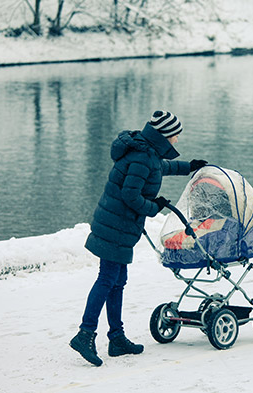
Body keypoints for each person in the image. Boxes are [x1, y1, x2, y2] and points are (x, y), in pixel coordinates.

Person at [69, 110, 207, 366]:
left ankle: (117, 338)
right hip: (116, 227)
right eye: (175, 135)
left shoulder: (146, 152)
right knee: (108, 279)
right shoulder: (143, 156)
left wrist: (189, 167)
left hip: (117, 225)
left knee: (117, 280)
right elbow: (130, 196)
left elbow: (160, 168)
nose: (177, 139)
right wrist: (155, 206)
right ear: (164, 135)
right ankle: (85, 334)